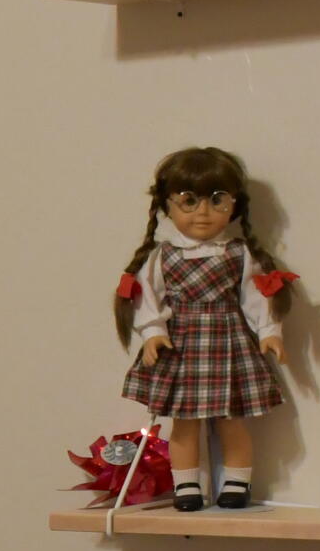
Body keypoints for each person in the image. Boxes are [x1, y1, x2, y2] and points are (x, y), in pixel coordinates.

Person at [113, 146, 298, 509]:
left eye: (216, 200)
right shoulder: (162, 256)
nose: (203, 212)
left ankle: (236, 483)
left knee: (231, 421)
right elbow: (147, 298)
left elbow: (255, 297)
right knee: (184, 424)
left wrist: (269, 331)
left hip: (229, 345)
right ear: (168, 205)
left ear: (233, 205)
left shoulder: (239, 253)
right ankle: (187, 486)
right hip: (181, 348)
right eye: (189, 201)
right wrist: (152, 333)